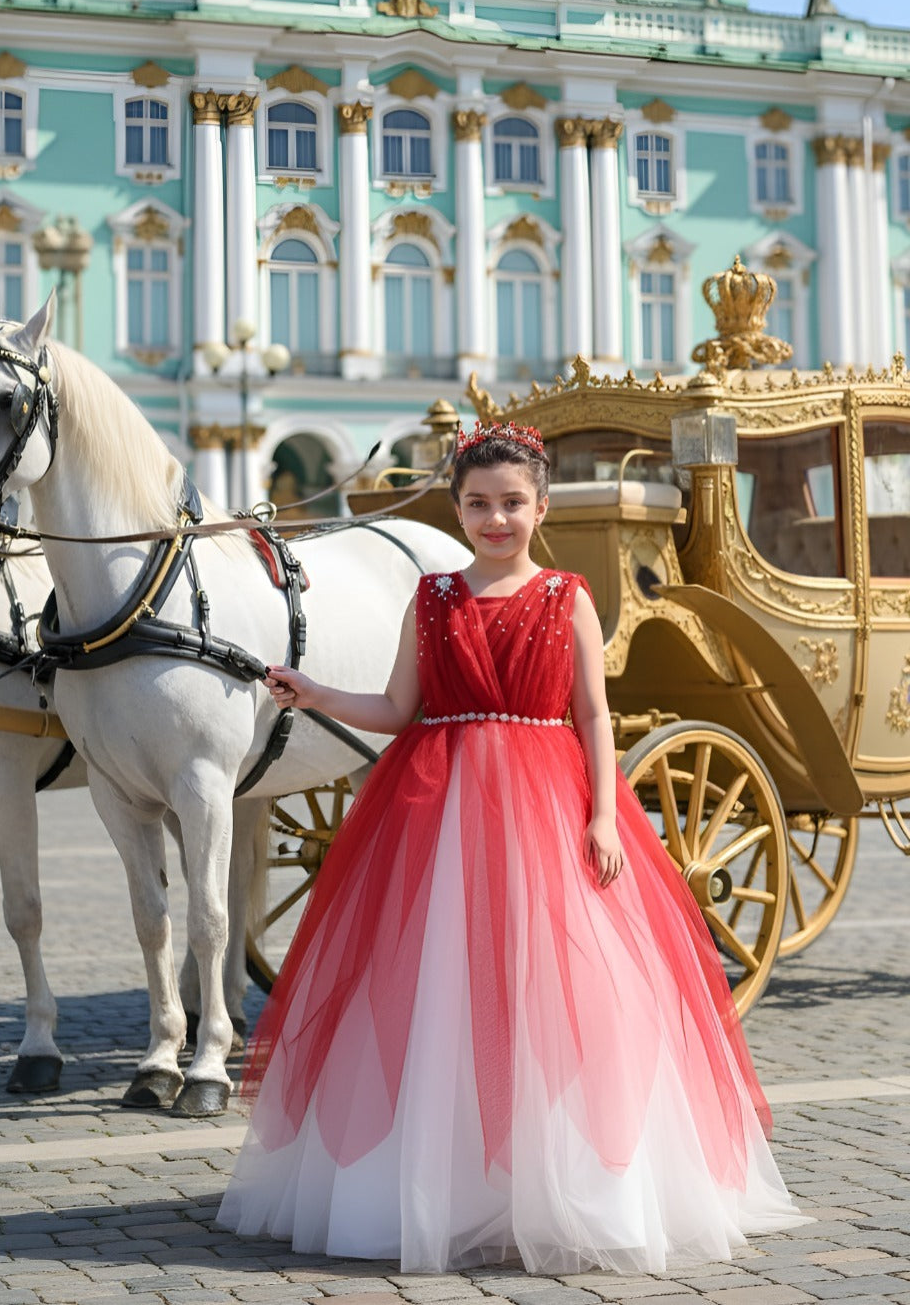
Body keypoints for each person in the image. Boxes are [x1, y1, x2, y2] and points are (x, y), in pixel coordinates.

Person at [218, 422, 806, 1275]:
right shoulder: (434, 598)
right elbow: (397, 708)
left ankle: (560, 1179)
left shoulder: (567, 595)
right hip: (438, 806)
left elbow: (595, 715)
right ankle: (442, 1182)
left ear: (538, 505)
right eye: (478, 504)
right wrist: (314, 692)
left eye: (513, 504)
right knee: (440, 987)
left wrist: (605, 815)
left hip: (546, 800)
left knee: (558, 990)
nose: (496, 519)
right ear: (457, 507)